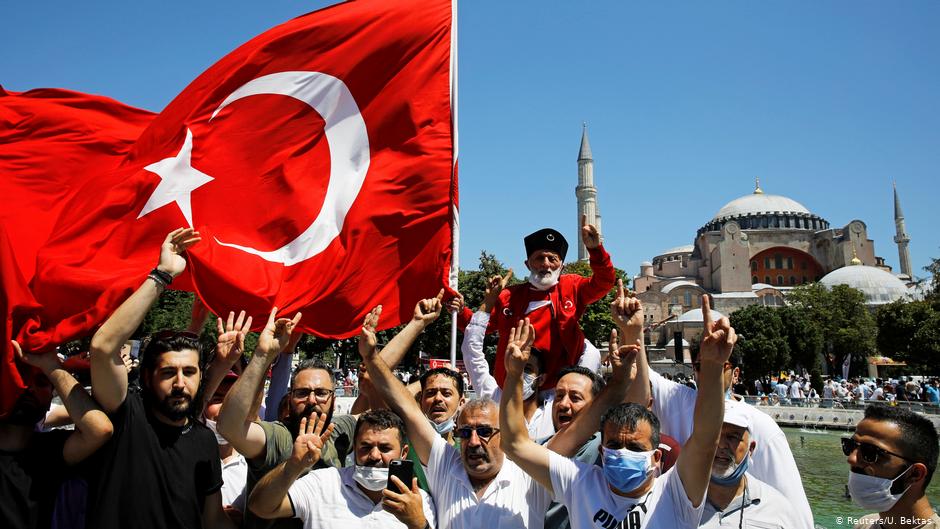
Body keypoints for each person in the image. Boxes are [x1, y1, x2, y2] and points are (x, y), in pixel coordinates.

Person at [500, 299, 738, 529]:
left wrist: (713, 367)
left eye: (635, 448)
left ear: (657, 458)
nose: (622, 453)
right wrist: (513, 375)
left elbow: (706, 440)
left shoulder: (677, 494)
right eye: (614, 444)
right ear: (601, 451)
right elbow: (515, 444)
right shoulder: (580, 483)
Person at [85, 228, 236, 529]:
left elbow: (212, 519)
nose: (180, 383)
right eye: (168, 372)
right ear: (147, 377)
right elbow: (103, 347)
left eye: (189, 372)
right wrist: (162, 275)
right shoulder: (125, 416)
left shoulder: (204, 439)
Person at [358, 302, 553, 529]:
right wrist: (371, 357)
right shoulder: (447, 466)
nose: (472, 442)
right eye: (465, 432)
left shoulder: (531, 477)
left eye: (484, 432)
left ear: (506, 437)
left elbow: (579, 431)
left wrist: (515, 374)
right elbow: (406, 407)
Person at [644, 295, 814, 529]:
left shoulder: (761, 426)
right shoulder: (679, 400)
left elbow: (796, 513)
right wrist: (631, 331)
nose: (719, 445)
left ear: (735, 373)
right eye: (703, 366)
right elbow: (640, 374)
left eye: (720, 365)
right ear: (694, 369)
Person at [456, 216, 616, 390]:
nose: (545, 264)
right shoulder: (508, 296)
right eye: (539, 258)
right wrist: (460, 310)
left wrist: (595, 250)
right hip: (513, 388)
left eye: (552, 258)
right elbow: (478, 328)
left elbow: (604, 283)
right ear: (527, 264)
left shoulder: (572, 287)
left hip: (556, 392)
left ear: (561, 266)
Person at [461, 271, 604, 440]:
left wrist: (563, 323)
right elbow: (471, 352)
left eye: (527, 368)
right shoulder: (494, 397)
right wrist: (489, 302)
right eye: (515, 365)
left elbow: (591, 355)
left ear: (541, 378)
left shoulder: (556, 408)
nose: (519, 373)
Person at [248, 409, 435, 529]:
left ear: (403, 453)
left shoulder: (420, 502)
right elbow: (261, 507)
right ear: (354, 447)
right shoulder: (322, 483)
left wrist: (417, 524)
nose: (375, 456)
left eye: (385, 448)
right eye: (366, 447)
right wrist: (293, 466)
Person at [0, 341, 113, 529]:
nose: (29, 388)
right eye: (20, 378)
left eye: (42, 381)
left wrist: (52, 366)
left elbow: (99, 430)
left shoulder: (51, 452)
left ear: (52, 393)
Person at [699, 399, 800, 528]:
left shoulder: (778, 509)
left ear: (751, 449)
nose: (721, 445)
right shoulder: (680, 500)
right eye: (714, 436)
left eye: (732, 437)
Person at [844, 405, 939, 529]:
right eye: (850, 446)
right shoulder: (865, 524)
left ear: (915, 474)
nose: (851, 459)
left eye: (870, 452)